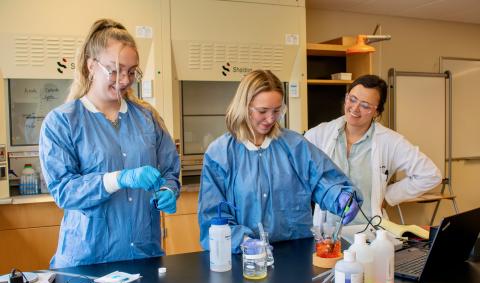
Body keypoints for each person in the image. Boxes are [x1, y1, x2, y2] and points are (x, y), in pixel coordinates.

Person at [39, 19, 180, 268]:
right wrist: (118, 179)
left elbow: (170, 170)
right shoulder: (62, 122)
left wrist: (169, 190)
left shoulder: (147, 118)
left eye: (132, 71)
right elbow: (64, 190)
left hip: (144, 257)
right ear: (91, 65)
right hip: (87, 261)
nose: (124, 79)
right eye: (115, 70)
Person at [198, 70, 362, 253]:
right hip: (244, 258)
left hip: (296, 254)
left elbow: (324, 181)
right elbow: (213, 216)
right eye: (262, 111)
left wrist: (340, 196)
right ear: (244, 107)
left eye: (277, 111)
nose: (270, 119)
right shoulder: (220, 154)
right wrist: (243, 241)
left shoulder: (295, 145)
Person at [305, 74, 442, 226]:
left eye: (365, 105)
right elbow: (299, 175)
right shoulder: (318, 135)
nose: (355, 108)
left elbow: (430, 175)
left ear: (377, 112)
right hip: (327, 235)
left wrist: (389, 196)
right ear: (346, 98)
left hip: (369, 235)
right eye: (352, 99)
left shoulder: (390, 141)